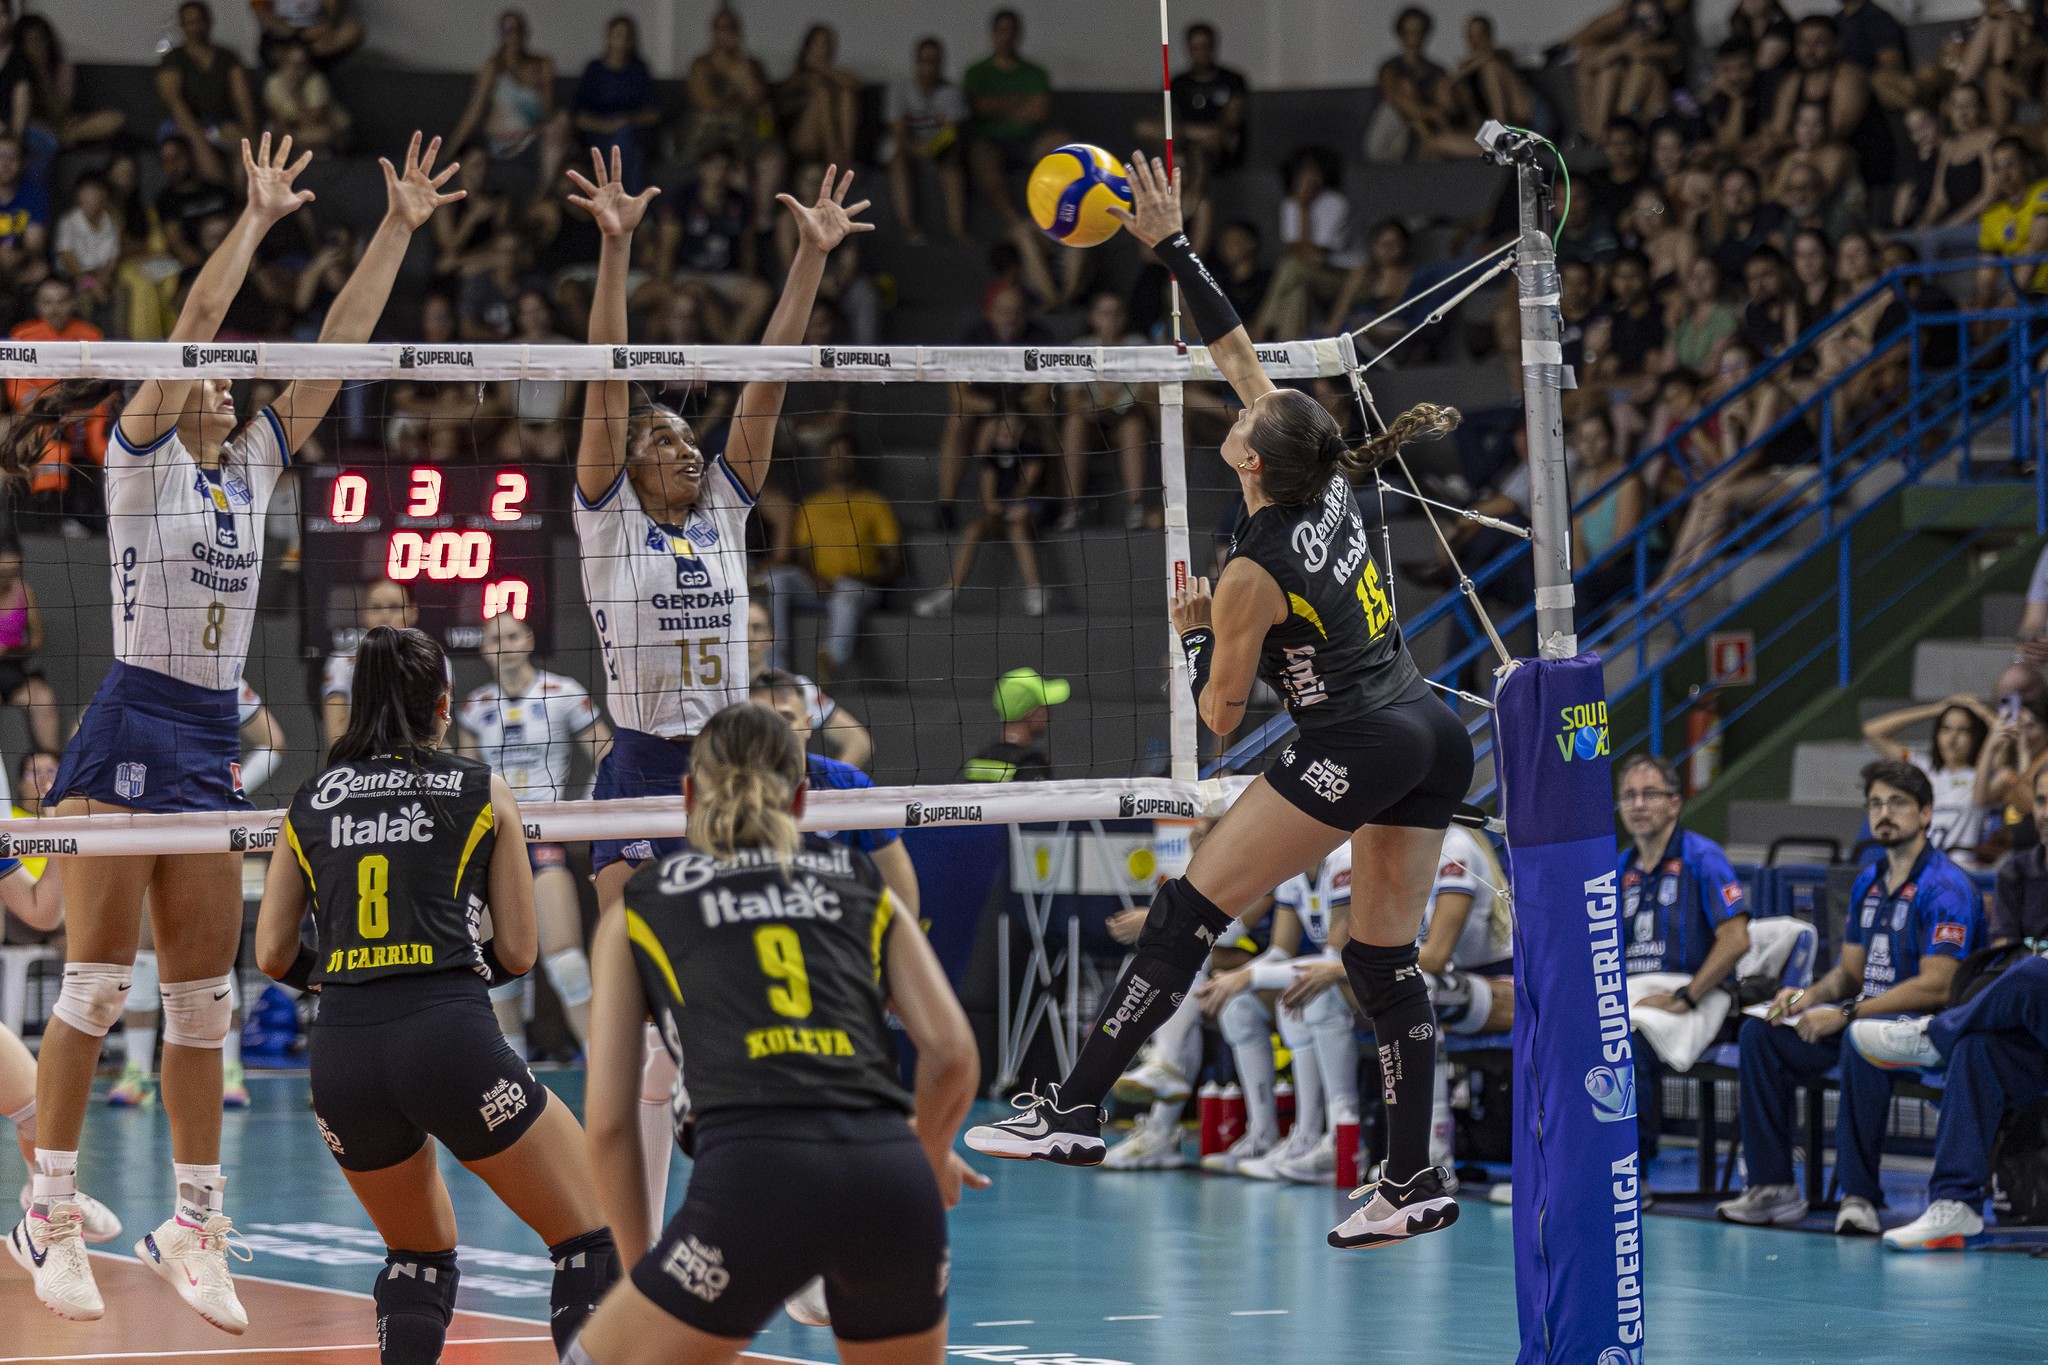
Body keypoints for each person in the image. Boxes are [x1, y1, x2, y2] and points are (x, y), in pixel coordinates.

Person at [967, 154, 1476, 1253]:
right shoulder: (1326, 471)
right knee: (1379, 966)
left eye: (1252, 415)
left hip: (1358, 739)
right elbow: (1237, 351)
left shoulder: (1253, 562)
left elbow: (1218, 720)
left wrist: (1202, 632)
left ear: (1249, 458)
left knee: (1186, 916)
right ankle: (1411, 1178)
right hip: (1431, 729)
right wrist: (1171, 245)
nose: (1245, 404)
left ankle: (1070, 1110)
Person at [2, 131, 460, 1330]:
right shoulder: (143, 458)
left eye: (231, 376)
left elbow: (338, 350)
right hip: (128, 721)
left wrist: (397, 229)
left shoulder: (252, 465)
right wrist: (253, 222)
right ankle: (47, 1207)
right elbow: (200, 318)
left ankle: (192, 1219)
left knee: (201, 1007)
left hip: (208, 737)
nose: (228, 381)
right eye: (208, 370)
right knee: (96, 988)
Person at [571, 145, 868, 1226]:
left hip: (734, 763)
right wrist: (616, 247)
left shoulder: (724, 517)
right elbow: (606, 371)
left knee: (741, 996)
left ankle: (760, 1207)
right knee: (634, 997)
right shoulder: (605, 522)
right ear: (625, 461)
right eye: (661, 439)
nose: (684, 450)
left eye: (689, 439)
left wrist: (807, 258)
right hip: (643, 767)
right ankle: (636, 1245)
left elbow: (769, 379)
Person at [561, 701, 977, 1365]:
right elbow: (953, 1055)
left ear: (688, 794)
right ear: (806, 799)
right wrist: (926, 1158)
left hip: (755, 1178)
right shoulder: (863, 886)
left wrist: (643, 1272)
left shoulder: (645, 902)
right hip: (888, 1178)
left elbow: (610, 1124)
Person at [254, 625, 619, 1361]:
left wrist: (347, 972)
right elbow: (518, 949)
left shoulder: (313, 797)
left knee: (417, 1257)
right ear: (444, 706)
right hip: (449, 1037)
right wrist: (449, 969)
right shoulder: (480, 787)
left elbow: (272, 952)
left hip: (343, 1055)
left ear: (355, 707)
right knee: (592, 1236)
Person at [1718, 759, 1986, 1232]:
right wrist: (1804, 997)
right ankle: (1772, 1187)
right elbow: (1849, 973)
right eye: (1876, 804)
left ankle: (1859, 1196)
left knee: (1862, 1039)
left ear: (1925, 814)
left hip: (1933, 1031)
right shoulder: (1868, 880)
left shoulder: (1946, 886)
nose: (1884, 813)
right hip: (1862, 1015)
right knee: (1763, 1032)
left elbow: (1939, 984)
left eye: (1898, 804)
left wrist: (1844, 1013)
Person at [1851, 762, 2048, 1248]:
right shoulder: (2018, 871)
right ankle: (1956, 1204)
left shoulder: (1945, 883)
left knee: (2036, 970)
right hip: (2038, 1021)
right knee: (1979, 1049)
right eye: (2042, 800)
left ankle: (1934, 1035)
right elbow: (2004, 960)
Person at [459, 611, 612, 1051]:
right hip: (492, 841)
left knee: (566, 963)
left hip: (544, 835)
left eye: (511, 634)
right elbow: (469, 778)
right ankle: (515, 1073)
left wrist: (581, 809)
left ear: (528, 639)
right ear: (484, 649)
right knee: (496, 968)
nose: (503, 644)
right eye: (493, 638)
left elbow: (607, 754)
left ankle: (598, 1065)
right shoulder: (475, 704)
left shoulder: (563, 691)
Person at [1195, 840, 1363, 1182]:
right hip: (1336, 975)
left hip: (1363, 975)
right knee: (1238, 1006)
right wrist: (1239, 980)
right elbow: (1280, 952)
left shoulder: (1345, 859)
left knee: (1311, 999)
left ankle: (1336, 1140)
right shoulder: (1295, 860)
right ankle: (1269, 1133)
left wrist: (1248, 976)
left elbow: (1336, 957)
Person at [1612, 753, 1752, 1150]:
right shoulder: (1619, 866)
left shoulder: (1702, 857)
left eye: (1649, 794)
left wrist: (1686, 996)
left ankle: (1633, 1169)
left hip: (1697, 994)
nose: (1638, 805)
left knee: (1625, 1042)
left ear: (1675, 802)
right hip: (1635, 993)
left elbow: (1737, 939)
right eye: (1629, 796)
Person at [748, 670, 920, 916]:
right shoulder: (728, 788)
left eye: (785, 718)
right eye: (761, 720)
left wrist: (901, 943)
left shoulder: (847, 782)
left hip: (836, 921)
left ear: (807, 726)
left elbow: (894, 867)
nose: (774, 730)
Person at [764, 434, 900, 681]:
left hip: (858, 589)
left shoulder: (873, 502)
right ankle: (775, 667)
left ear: (855, 460)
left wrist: (865, 578)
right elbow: (801, 557)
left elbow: (893, 562)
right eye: (832, 454)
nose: (839, 460)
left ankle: (832, 661)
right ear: (823, 462)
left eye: (845, 453)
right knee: (777, 579)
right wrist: (815, 580)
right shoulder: (810, 505)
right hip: (818, 588)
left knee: (847, 590)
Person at [914, 405, 1050, 619]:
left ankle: (1036, 590)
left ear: (1022, 429)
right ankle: (948, 592)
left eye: (1012, 428)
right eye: (1002, 428)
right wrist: (1001, 509)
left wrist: (1013, 508)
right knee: (974, 529)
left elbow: (1025, 489)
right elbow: (988, 502)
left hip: (1029, 508)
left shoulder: (1031, 453)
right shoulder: (991, 459)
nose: (1007, 432)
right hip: (1002, 512)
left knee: (1017, 528)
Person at [681, 7, 786, 236]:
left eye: (731, 28)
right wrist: (735, 83)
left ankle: (761, 223)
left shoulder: (749, 65)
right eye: (721, 28)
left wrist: (742, 71)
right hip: (713, 138)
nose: (725, 34)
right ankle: (738, 229)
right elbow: (708, 102)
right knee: (735, 171)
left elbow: (757, 99)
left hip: (748, 137)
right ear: (712, 32)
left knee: (772, 159)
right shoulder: (700, 64)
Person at [447, 9, 567, 198]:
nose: (514, 35)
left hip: (531, 142)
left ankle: (543, 193)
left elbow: (548, 113)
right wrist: (448, 152)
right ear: (501, 35)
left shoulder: (543, 65)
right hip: (499, 144)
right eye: (507, 30)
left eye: (518, 29)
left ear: (526, 33)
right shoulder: (494, 67)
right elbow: (474, 111)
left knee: (562, 120)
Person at [962, 9, 1060, 233]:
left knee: (1062, 143)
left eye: (1011, 31)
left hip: (1028, 139)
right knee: (980, 155)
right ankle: (1017, 223)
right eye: (1002, 30)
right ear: (993, 33)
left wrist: (995, 105)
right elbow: (976, 108)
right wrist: (1017, 103)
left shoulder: (1035, 73)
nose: (1006, 36)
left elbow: (1038, 112)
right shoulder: (976, 72)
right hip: (990, 141)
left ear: (1019, 34)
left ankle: (1053, 217)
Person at [745, 599, 872, 770]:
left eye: (758, 628)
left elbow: (860, 742)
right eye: (742, 627)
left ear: (771, 636)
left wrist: (828, 789)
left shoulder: (798, 688)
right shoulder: (715, 691)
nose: (749, 637)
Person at [1863, 696, 1994, 855]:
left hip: (1962, 868)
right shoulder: (1921, 767)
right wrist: (1937, 709)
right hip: (1921, 866)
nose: (1952, 738)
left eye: (1963, 731)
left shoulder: (1985, 773)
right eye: (1945, 729)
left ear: (1976, 736)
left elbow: (2007, 732)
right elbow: (1873, 731)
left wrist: (1979, 710)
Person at [1137, 22, 1247, 201]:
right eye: (1195, 48)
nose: (1200, 53)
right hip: (1183, 140)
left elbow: (1229, 124)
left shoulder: (1232, 80)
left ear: (1213, 47)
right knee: (1149, 130)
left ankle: (1191, 198)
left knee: (1203, 146)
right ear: (1188, 49)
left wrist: (1187, 132)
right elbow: (1163, 121)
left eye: (1205, 47)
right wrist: (1187, 132)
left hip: (1216, 148)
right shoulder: (1179, 82)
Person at [885, 37, 969, 245]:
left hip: (938, 147)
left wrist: (930, 148)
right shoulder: (900, 88)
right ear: (916, 62)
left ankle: (957, 231)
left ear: (941, 64)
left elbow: (951, 132)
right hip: (907, 146)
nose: (928, 67)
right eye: (924, 61)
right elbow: (898, 131)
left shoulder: (952, 91)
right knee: (898, 159)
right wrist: (917, 149)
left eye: (933, 62)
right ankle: (909, 229)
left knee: (952, 161)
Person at [156, 3, 257, 156]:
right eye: (189, 23)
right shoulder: (173, 59)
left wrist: (250, 134)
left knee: (245, 145)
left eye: (198, 21)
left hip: (220, 124)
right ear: (182, 26)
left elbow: (243, 101)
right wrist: (197, 136)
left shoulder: (227, 58)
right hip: (181, 125)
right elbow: (174, 102)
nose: (195, 28)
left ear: (208, 22)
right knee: (189, 144)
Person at [573, 16, 660, 194]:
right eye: (617, 34)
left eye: (626, 36)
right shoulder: (594, 70)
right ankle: (632, 207)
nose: (621, 40)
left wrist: (627, 121)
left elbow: (654, 112)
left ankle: (620, 201)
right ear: (608, 36)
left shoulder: (638, 70)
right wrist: (606, 127)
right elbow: (578, 116)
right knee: (628, 150)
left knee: (628, 144)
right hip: (597, 134)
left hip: (630, 133)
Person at [777, 24, 860, 177]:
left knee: (846, 96)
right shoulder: (797, 77)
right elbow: (783, 108)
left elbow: (853, 84)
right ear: (808, 47)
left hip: (836, 138)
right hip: (801, 141)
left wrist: (822, 68)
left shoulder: (834, 75)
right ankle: (836, 161)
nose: (823, 49)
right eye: (818, 43)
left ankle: (845, 159)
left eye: (826, 44)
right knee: (822, 94)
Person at [962, 667, 1066, 782]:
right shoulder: (1031, 765)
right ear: (1035, 713)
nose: (1047, 714)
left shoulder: (979, 760)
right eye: (1045, 708)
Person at [0, 542, 55, 756]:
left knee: (44, 700)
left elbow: (37, 640)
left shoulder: (25, 591)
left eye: (13, 572)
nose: (7, 577)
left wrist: (12, 648)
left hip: (14, 670)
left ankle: (50, 769)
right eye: (2, 572)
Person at [260, 40, 348, 152]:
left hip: (325, 128)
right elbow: (276, 120)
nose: (295, 70)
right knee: (271, 134)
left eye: (301, 65)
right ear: (282, 62)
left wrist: (296, 92)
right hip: (293, 131)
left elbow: (312, 122)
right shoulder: (273, 83)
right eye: (291, 63)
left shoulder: (315, 81)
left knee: (321, 135)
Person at [248, 0, 363, 68]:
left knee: (353, 31)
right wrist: (297, 33)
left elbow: (331, 12)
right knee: (280, 52)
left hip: (315, 38)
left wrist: (325, 26)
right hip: (283, 37)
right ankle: (297, 58)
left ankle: (301, 58)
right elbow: (261, 14)